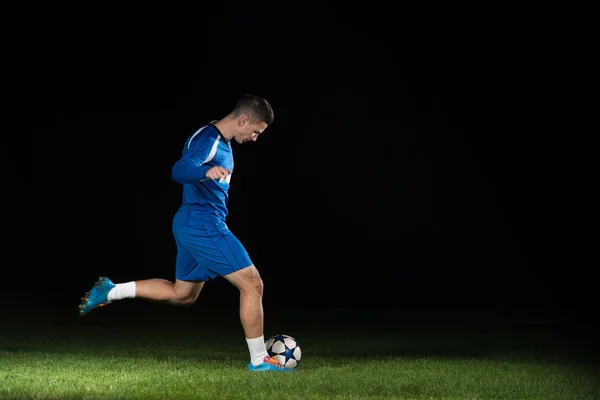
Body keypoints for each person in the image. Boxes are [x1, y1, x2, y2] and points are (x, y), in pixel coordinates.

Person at [78, 94, 294, 372]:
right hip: (203, 223)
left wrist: (206, 172)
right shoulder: (210, 140)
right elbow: (179, 170)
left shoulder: (216, 137)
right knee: (252, 284)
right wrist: (206, 171)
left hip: (191, 222)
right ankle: (259, 361)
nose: (255, 138)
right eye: (255, 131)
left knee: (183, 295)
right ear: (243, 119)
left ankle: (111, 291)